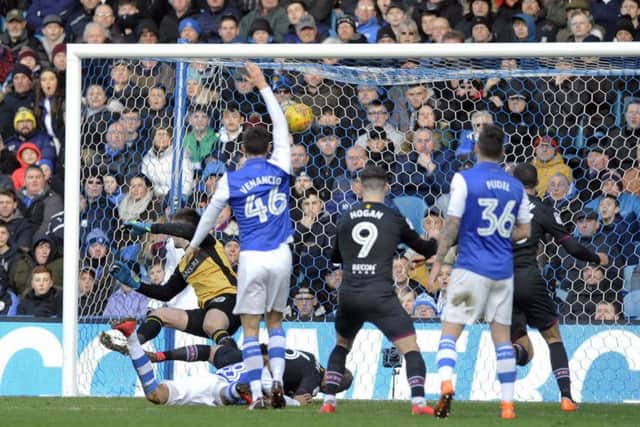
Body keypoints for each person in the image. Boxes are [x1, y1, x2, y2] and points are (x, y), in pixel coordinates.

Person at [184, 62, 292, 410]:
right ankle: (277, 382)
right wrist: (262, 86)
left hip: (252, 257)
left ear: (243, 150)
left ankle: (257, 394)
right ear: (269, 148)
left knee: (249, 328)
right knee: (275, 322)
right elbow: (281, 123)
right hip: (282, 254)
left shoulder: (232, 180)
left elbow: (209, 218)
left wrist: (194, 243)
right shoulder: (281, 166)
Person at [429, 124, 531, 420]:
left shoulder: (464, 179)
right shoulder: (515, 186)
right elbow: (525, 229)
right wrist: (498, 236)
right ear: (502, 152)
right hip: (502, 273)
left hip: (470, 270)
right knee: (501, 337)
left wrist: (438, 260)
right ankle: (508, 406)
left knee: (450, 332)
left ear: (476, 149)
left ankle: (447, 384)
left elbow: (451, 224)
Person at [320, 165, 438, 416]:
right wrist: (436, 239)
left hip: (350, 294)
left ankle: (328, 400)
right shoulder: (394, 218)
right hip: (381, 296)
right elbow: (426, 249)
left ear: (360, 187)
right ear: (386, 188)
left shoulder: (346, 216)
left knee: (342, 345)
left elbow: (335, 256)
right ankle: (418, 402)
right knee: (411, 347)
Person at [510, 163, 609, 411]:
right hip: (528, 277)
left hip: (500, 282)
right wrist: (598, 259)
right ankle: (566, 397)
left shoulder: (497, 209)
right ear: (538, 184)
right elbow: (572, 247)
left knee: (523, 349)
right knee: (553, 337)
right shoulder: (544, 210)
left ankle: (511, 355)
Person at [103, 208, 240, 353]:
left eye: (174, 229)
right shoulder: (184, 264)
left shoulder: (207, 242)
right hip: (209, 311)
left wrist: (150, 228)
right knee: (160, 314)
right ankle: (131, 344)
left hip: (231, 299)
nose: (171, 234)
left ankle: (235, 362)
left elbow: (185, 230)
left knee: (211, 324)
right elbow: (166, 293)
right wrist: (135, 283)